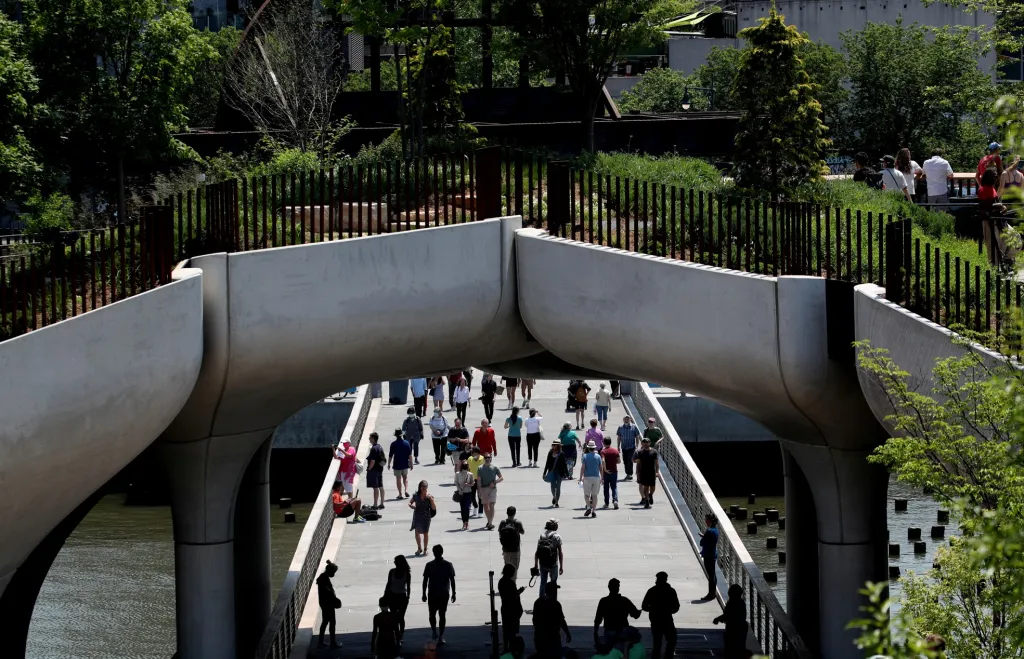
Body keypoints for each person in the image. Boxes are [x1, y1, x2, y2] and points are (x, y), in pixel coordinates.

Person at [594, 578, 641, 650]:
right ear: (618, 588)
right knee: (622, 653)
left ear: (609, 587)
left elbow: (598, 618)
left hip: (609, 631)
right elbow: (636, 615)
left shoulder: (604, 601)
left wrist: (595, 632)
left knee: (609, 653)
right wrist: (639, 611)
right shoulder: (624, 600)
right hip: (622, 632)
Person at [422, 545, 456, 644]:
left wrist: (424, 593)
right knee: (441, 614)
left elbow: (425, 581)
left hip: (435, 593)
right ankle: (439, 635)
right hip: (442, 593)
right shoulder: (447, 565)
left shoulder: (430, 565)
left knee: (434, 614)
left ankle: (436, 632)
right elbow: (452, 580)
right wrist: (454, 593)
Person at [643, 572, 681, 659]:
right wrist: (668, 611)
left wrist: (652, 609)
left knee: (657, 644)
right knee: (671, 640)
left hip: (655, 620)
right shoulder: (671, 591)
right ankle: (668, 656)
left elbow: (644, 606)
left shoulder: (652, 590)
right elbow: (676, 607)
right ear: (666, 579)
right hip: (667, 620)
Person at [531, 582, 570, 657]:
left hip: (540, 638)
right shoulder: (556, 604)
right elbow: (562, 621)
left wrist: (538, 632)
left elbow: (534, 620)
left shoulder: (538, 602)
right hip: (553, 638)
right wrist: (567, 633)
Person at [713, 584, 748, 659]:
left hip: (733, 629)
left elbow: (728, 615)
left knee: (731, 648)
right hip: (741, 628)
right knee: (740, 647)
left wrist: (718, 619)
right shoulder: (741, 602)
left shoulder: (733, 602)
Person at [383, 555, 411, 644]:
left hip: (402, 597)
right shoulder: (392, 571)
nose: (394, 562)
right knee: (394, 617)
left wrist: (408, 597)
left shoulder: (407, 573)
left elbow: (409, 587)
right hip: (392, 596)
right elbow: (388, 584)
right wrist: (385, 595)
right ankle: (396, 634)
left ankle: (400, 635)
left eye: (395, 561)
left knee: (401, 617)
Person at [498, 563, 526, 652]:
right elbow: (513, 596)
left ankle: (506, 648)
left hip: (505, 608)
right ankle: (511, 649)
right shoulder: (510, 582)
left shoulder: (501, 581)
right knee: (512, 631)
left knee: (506, 630)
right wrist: (519, 592)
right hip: (511, 609)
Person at [534, 518, 564, 596]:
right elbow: (560, 552)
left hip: (543, 563)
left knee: (543, 583)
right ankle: (552, 600)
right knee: (553, 583)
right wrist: (561, 567)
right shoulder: (557, 537)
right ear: (554, 526)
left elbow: (537, 552)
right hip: (553, 564)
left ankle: (541, 600)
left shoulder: (542, 536)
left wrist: (536, 565)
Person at [316, 560, 341, 649]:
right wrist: (335, 599)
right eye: (333, 572)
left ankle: (321, 642)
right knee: (331, 622)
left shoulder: (323, 578)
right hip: (327, 604)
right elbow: (327, 591)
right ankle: (332, 643)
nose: (334, 574)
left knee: (325, 622)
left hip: (326, 603)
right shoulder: (323, 579)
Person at [409, 480, 436, 555]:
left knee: (425, 533)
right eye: (422, 486)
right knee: (417, 532)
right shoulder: (416, 495)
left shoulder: (429, 496)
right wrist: (411, 505)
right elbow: (410, 502)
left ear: (427, 487)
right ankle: (419, 548)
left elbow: (434, 508)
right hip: (417, 515)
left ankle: (425, 549)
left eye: (425, 486)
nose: (423, 488)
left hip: (426, 516)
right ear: (420, 487)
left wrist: (431, 500)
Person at [477, 453, 504, 530]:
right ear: (484, 459)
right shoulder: (480, 468)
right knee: (486, 506)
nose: (487, 459)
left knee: (491, 505)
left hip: (492, 488)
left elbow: (501, 478)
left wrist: (495, 482)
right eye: (486, 457)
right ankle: (489, 521)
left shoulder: (495, 467)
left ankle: (490, 523)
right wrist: (479, 490)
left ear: (491, 458)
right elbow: (478, 480)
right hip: (483, 488)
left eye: (488, 457)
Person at [498, 505, 526, 577]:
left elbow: (500, 532)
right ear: (515, 513)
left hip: (505, 549)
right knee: (514, 570)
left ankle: (507, 585)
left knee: (507, 569)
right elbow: (522, 532)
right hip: (515, 550)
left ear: (507, 513)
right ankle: (513, 585)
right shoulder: (518, 522)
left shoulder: (503, 522)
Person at [580, 440, 604, 518]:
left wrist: (580, 478)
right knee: (595, 495)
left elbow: (583, 467)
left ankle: (588, 507)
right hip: (596, 477)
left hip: (587, 477)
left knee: (587, 494)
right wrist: (602, 477)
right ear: (594, 448)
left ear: (588, 448)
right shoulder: (598, 456)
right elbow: (601, 468)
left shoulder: (585, 456)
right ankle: (594, 510)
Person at [633, 437, 659, 508]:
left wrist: (657, 472)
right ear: (642, 444)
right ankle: (647, 501)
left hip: (652, 472)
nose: (646, 444)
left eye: (647, 442)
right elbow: (638, 462)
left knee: (653, 487)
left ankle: (650, 495)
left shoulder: (654, 452)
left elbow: (656, 463)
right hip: (643, 472)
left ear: (649, 443)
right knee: (646, 487)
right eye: (644, 443)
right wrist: (638, 472)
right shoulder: (640, 452)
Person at [389, 428, 413, 499]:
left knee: (398, 478)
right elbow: (410, 455)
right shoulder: (407, 443)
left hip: (397, 464)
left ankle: (400, 494)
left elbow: (390, 455)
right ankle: (406, 490)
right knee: (405, 478)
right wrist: (411, 464)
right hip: (405, 464)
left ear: (396, 436)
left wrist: (388, 464)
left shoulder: (393, 444)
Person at [542, 441, 570, 507]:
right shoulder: (550, 453)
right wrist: (544, 472)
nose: (553, 446)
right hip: (552, 471)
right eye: (553, 445)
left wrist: (568, 474)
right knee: (552, 486)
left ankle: (557, 501)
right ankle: (554, 496)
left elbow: (564, 464)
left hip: (559, 472)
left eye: (555, 445)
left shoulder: (561, 453)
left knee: (558, 487)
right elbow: (547, 463)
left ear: (558, 446)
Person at [699, 515, 720, 601]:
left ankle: (710, 594)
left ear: (709, 521)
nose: (705, 521)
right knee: (713, 574)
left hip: (708, 555)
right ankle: (713, 593)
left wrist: (703, 537)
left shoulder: (709, 531)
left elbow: (702, 543)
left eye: (706, 520)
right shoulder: (715, 530)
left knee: (710, 576)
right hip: (713, 554)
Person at [366, 431, 386, 509]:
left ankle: (375, 504)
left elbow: (372, 461)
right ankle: (382, 503)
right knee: (381, 486)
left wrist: (369, 469)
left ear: (373, 439)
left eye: (370, 438)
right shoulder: (380, 447)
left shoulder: (374, 448)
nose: (369, 439)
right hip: (380, 469)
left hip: (374, 470)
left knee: (375, 487)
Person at [616, 416, 640, 482]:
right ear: (623, 420)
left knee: (630, 460)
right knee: (625, 460)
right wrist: (618, 446)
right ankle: (627, 473)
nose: (626, 420)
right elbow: (619, 437)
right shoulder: (620, 427)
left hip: (631, 447)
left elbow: (637, 436)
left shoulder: (634, 427)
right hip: (624, 447)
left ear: (630, 419)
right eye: (625, 419)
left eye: (628, 419)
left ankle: (630, 474)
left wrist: (637, 445)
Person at [454, 460, 475, 530]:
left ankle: (467, 522)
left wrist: (468, 484)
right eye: (464, 465)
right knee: (462, 509)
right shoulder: (457, 474)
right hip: (461, 493)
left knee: (467, 508)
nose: (465, 466)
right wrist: (459, 489)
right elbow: (456, 482)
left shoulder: (470, 474)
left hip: (468, 492)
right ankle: (464, 523)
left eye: (466, 465)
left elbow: (473, 483)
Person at [601, 436, 620, 510]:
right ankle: (615, 500)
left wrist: (605, 469)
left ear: (604, 443)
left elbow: (603, 461)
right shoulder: (615, 451)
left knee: (606, 488)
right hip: (614, 471)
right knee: (614, 487)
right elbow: (619, 461)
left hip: (606, 473)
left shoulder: (603, 451)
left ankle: (606, 503)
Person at [468, 446, 486, 517]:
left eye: (473, 453)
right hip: (472, 479)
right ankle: (475, 506)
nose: (472, 454)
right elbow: (468, 469)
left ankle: (480, 511)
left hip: (480, 480)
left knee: (480, 496)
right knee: (471, 496)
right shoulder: (470, 459)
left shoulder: (483, 459)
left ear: (477, 453)